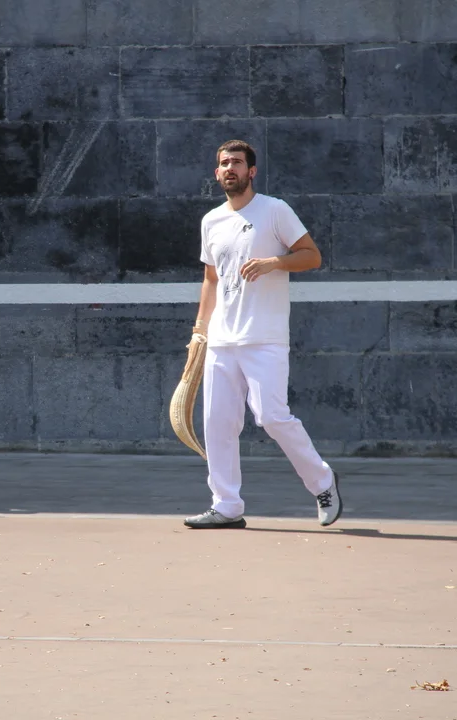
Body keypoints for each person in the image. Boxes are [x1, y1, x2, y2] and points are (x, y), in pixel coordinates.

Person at [183, 139, 342, 529]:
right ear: (217, 173)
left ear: (251, 171)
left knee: (271, 417)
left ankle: (323, 482)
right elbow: (211, 279)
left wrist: (274, 262)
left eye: (237, 162)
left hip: (265, 337)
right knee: (218, 423)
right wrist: (200, 331)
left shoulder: (275, 210)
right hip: (222, 340)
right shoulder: (211, 221)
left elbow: (312, 255)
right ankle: (226, 505)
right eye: (224, 163)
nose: (230, 168)